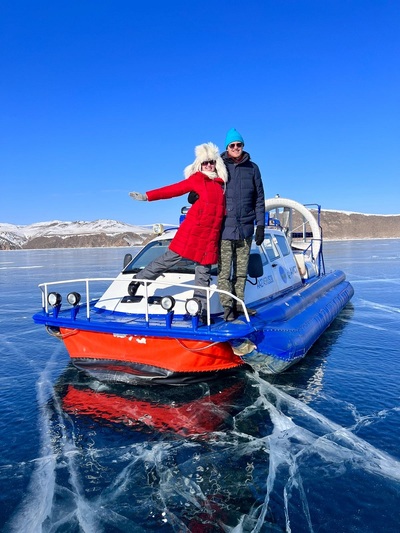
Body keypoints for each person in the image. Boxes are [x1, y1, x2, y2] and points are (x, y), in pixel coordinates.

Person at [129, 142, 227, 324]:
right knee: (169, 258)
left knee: (203, 276)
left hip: (209, 237)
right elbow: (173, 190)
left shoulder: (222, 186)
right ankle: (140, 279)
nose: (209, 166)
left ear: (216, 163)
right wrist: (147, 196)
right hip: (192, 231)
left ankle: (200, 311)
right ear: (199, 164)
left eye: (211, 162)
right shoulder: (197, 179)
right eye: (205, 163)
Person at [218, 128, 265, 321]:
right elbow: (206, 185)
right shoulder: (219, 167)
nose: (236, 148)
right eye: (232, 145)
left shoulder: (253, 168)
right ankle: (227, 308)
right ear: (227, 148)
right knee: (224, 272)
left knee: (241, 272)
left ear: (243, 146)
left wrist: (260, 225)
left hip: (246, 229)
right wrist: (194, 195)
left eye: (239, 144)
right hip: (225, 230)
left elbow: (259, 198)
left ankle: (239, 306)